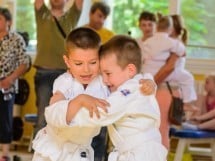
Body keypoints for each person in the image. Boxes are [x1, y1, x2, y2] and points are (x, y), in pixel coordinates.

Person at [32, 27, 155, 161]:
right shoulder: (64, 81)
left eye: (93, 62)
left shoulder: (105, 80)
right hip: (54, 148)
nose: (86, 69)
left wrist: (149, 81)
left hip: (81, 150)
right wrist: (80, 100)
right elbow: (53, 111)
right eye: (78, 63)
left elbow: (127, 77)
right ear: (67, 61)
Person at [33, 0, 83, 136]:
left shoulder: (71, 16)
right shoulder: (42, 14)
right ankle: (38, 154)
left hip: (65, 74)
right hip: (44, 73)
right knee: (42, 118)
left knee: (64, 116)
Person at [142, 15, 197, 111]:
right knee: (188, 78)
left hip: (148, 72)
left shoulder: (148, 42)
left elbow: (143, 57)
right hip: (165, 76)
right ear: (170, 29)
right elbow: (182, 54)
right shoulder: (173, 43)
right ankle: (187, 102)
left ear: (156, 27)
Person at [84, 2, 114, 160]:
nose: (101, 20)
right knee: (84, 128)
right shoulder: (81, 33)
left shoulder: (109, 36)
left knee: (100, 129)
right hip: (82, 86)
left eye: (104, 17)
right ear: (91, 14)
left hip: (102, 86)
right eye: (99, 16)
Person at [0, 7, 31, 161]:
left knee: (5, 119)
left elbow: (24, 63)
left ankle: (4, 154)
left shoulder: (16, 39)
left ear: (8, 22)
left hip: (7, 85)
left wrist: (10, 79)